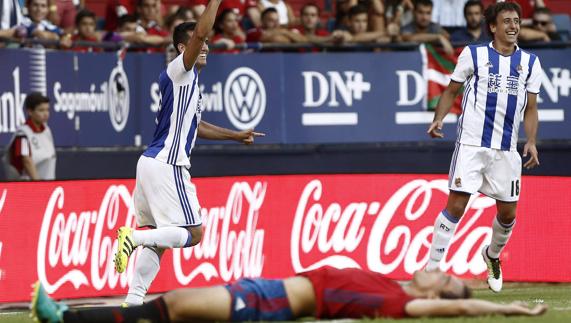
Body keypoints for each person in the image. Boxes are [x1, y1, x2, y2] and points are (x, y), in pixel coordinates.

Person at [112, 0, 265, 308]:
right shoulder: (180, 71)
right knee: (193, 233)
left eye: (207, 44)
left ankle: (133, 300)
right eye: (201, 43)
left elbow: (197, 125)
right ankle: (133, 239)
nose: (205, 47)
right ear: (183, 49)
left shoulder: (188, 82)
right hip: (168, 164)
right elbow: (198, 35)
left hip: (151, 163)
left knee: (159, 238)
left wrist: (234, 136)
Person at [425, 2, 542, 294]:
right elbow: (451, 90)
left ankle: (491, 256)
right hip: (472, 144)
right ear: (493, 26)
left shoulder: (530, 63)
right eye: (507, 21)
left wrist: (530, 140)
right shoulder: (473, 54)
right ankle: (430, 271)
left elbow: (531, 108)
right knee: (456, 205)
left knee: (508, 216)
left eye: (516, 21)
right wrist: (439, 119)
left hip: (506, 150)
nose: (513, 26)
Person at [31, 266, 547, 322]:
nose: (439, 272)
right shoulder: (392, 285)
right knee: (167, 308)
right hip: (266, 292)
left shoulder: (400, 304)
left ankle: (62, 319)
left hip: (270, 304)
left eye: (446, 279)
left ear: (436, 298)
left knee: (170, 307)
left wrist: (512, 307)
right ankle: (66, 317)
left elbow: (462, 306)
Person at [2, 92, 56, 180]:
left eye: (47, 110)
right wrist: (38, 183)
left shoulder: (47, 130)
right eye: (41, 110)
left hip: (49, 184)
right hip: (29, 187)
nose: (46, 114)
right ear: (30, 112)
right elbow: (27, 161)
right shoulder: (22, 134)